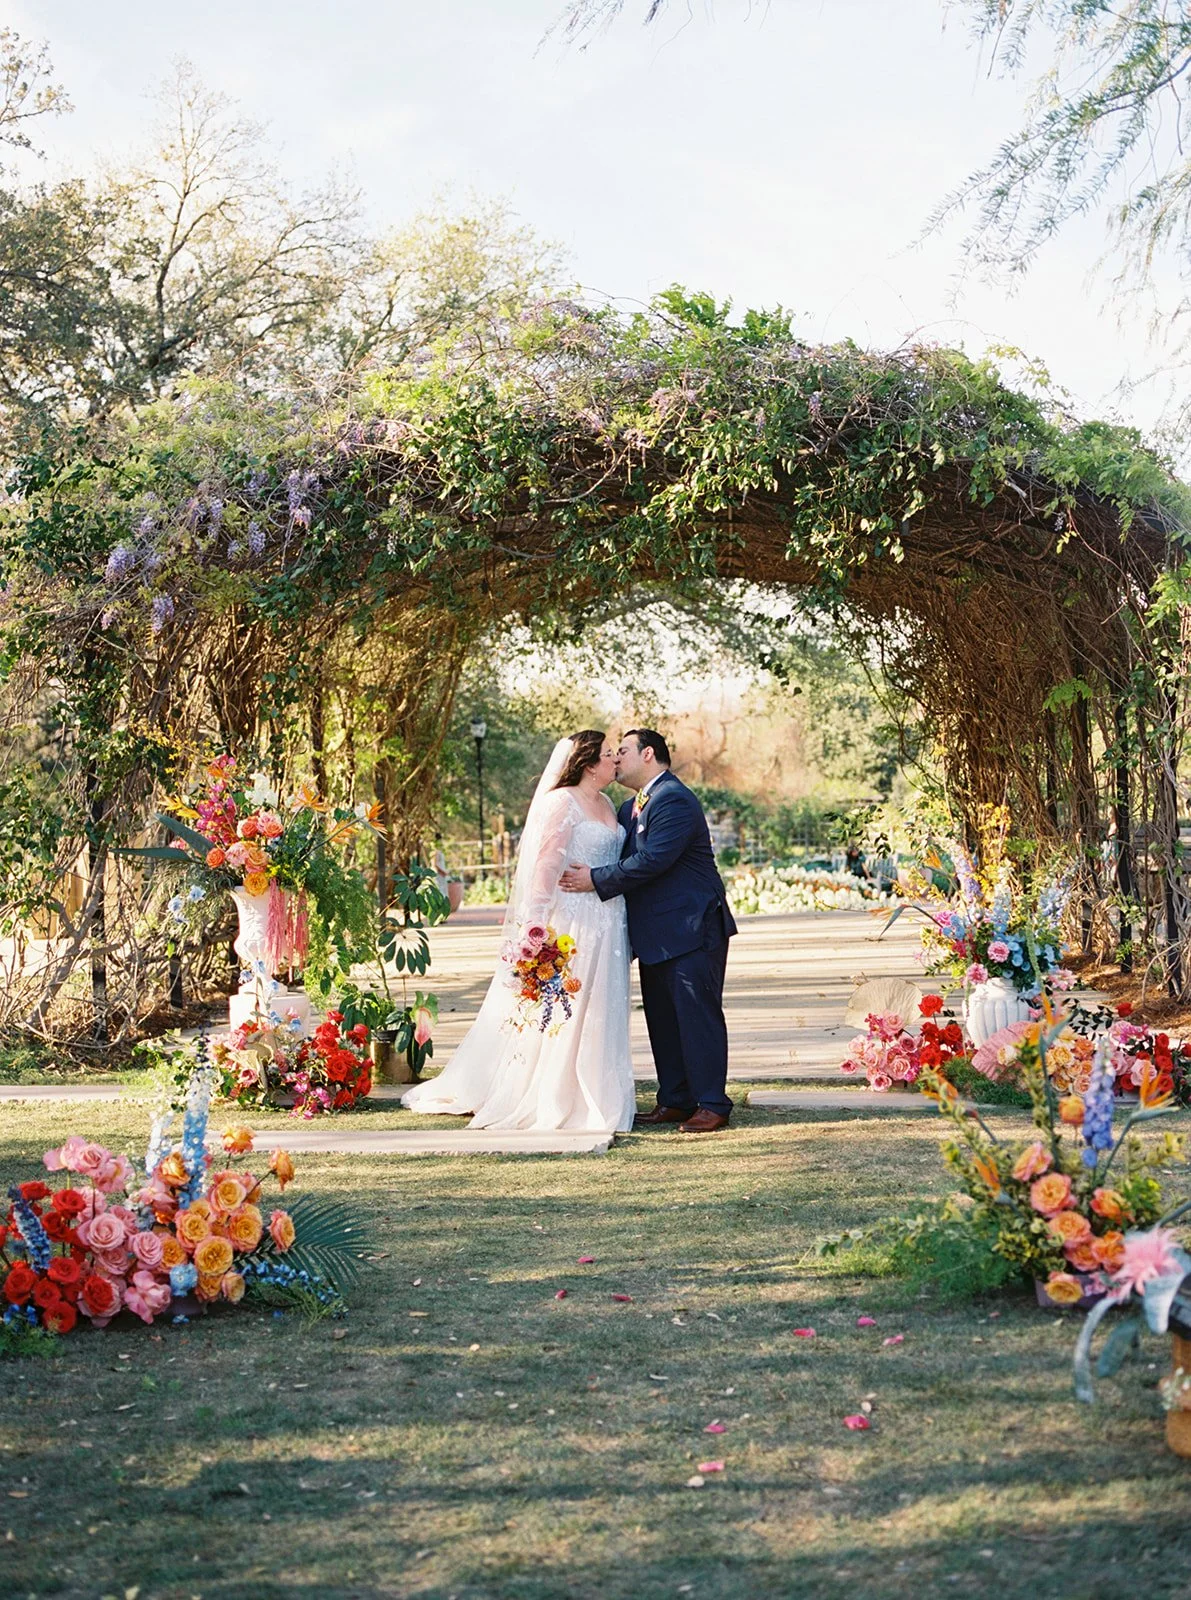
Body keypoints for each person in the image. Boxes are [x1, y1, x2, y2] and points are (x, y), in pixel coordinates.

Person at [401, 732, 635, 1132]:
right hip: (573, 920)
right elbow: (546, 865)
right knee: (566, 1006)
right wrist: (535, 927)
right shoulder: (562, 802)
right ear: (588, 763)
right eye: (608, 754)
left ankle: (595, 1090)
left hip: (609, 919)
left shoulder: (608, 804)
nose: (615, 760)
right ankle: (552, 1092)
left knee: (600, 1007)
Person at [559, 729, 737, 1133]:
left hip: (692, 927)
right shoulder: (629, 807)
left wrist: (595, 879)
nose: (616, 759)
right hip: (654, 933)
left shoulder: (673, 799)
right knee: (663, 1018)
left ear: (648, 754)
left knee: (697, 1016)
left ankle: (713, 1103)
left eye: (622, 751)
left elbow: (654, 859)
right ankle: (675, 1099)